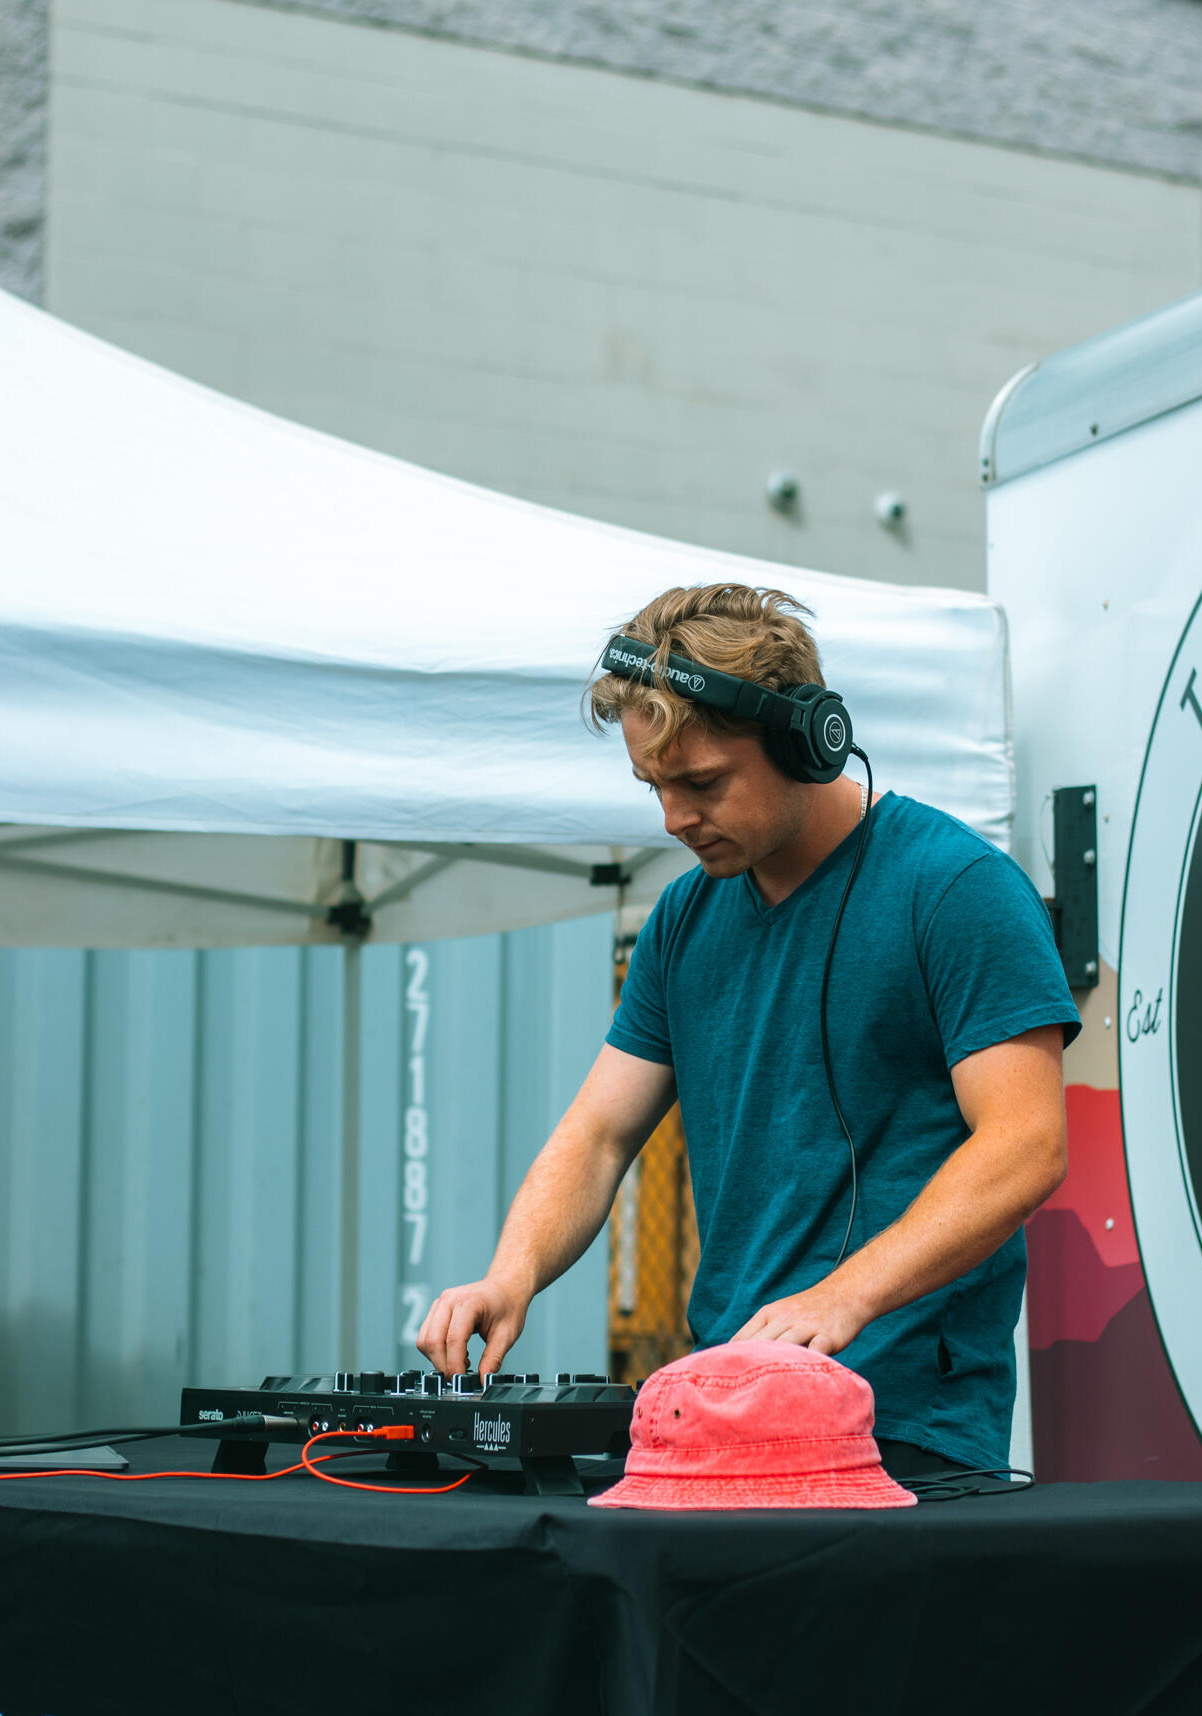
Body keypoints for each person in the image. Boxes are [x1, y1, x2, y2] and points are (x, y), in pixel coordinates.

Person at [419, 584, 1079, 1477]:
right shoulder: (684, 919)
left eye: (700, 783)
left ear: (807, 742)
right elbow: (601, 1134)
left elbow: (1026, 1143)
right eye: (654, 786)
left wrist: (845, 1296)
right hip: (721, 1406)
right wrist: (511, 1274)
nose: (673, 819)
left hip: (901, 1429)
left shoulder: (956, 888)